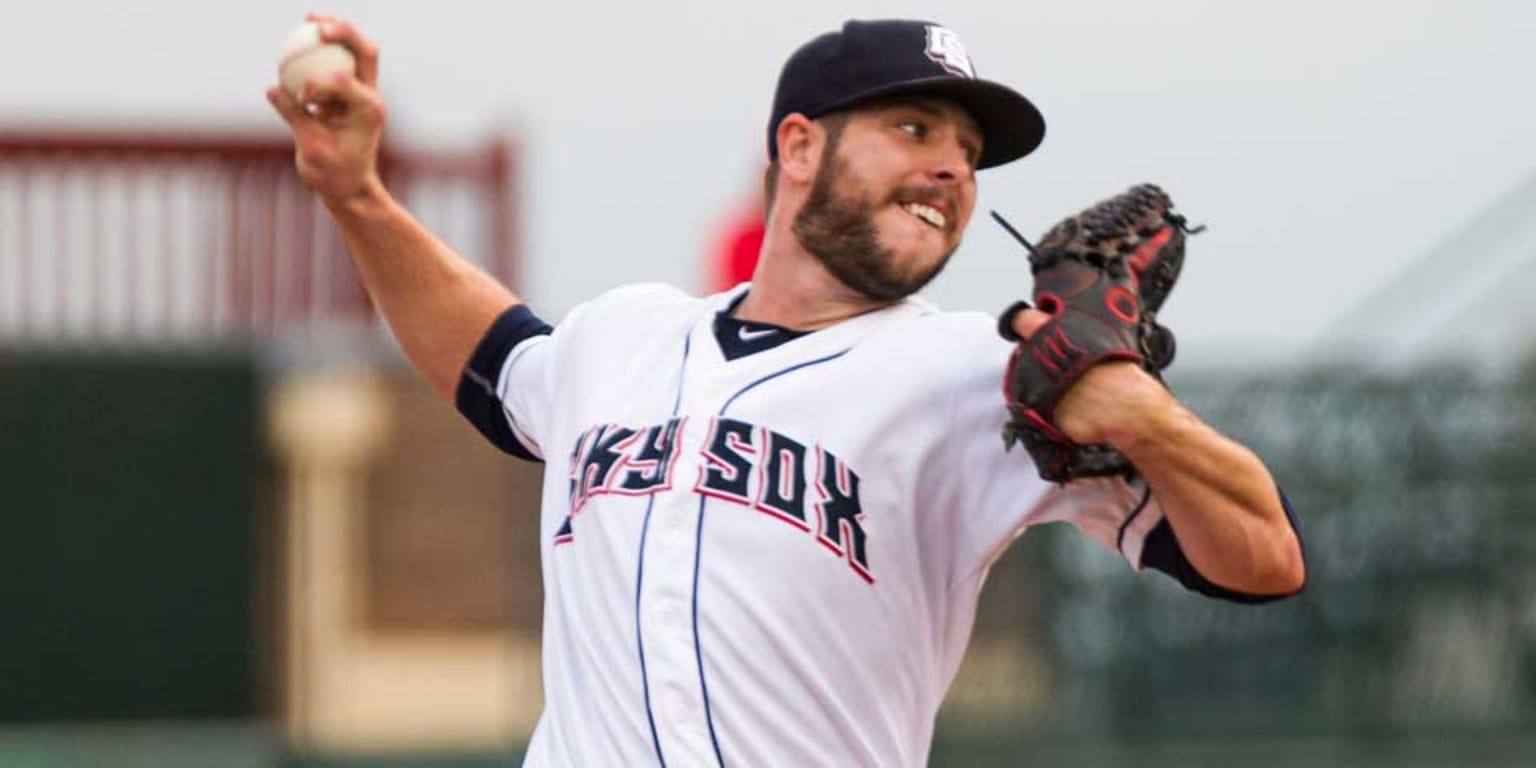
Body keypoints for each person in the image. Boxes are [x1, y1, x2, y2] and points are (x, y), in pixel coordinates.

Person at [268, 15, 1305, 767]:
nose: (952, 167)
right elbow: (491, 360)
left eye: (969, 153)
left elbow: (1264, 558)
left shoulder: (977, 377)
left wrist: (1143, 416)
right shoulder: (624, 336)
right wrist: (355, 196)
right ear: (800, 146)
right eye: (914, 128)